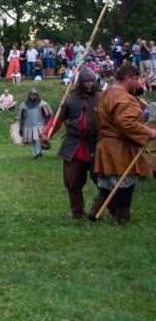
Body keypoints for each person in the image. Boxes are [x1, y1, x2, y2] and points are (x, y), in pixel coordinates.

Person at [89, 64, 156, 224]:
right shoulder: (123, 97)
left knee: (108, 181)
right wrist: (150, 133)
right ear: (127, 78)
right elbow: (127, 123)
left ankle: (95, 211)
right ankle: (122, 218)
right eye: (136, 79)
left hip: (105, 143)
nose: (138, 82)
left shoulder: (106, 94)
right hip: (119, 146)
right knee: (125, 181)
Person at [41, 67, 99, 219]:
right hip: (74, 145)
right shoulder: (70, 98)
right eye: (85, 82)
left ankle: (104, 209)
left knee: (103, 180)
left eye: (91, 81)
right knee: (72, 182)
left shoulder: (102, 98)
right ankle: (77, 211)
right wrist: (46, 135)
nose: (89, 85)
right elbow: (57, 119)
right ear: (79, 83)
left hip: (96, 144)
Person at [16, 88, 52, 158]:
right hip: (27, 126)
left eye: (35, 94)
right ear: (29, 95)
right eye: (32, 94)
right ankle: (35, 154)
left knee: (38, 139)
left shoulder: (42, 104)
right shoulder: (23, 105)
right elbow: (21, 118)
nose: (34, 96)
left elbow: (48, 116)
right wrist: (21, 127)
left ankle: (39, 152)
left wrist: (48, 126)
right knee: (30, 140)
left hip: (39, 125)